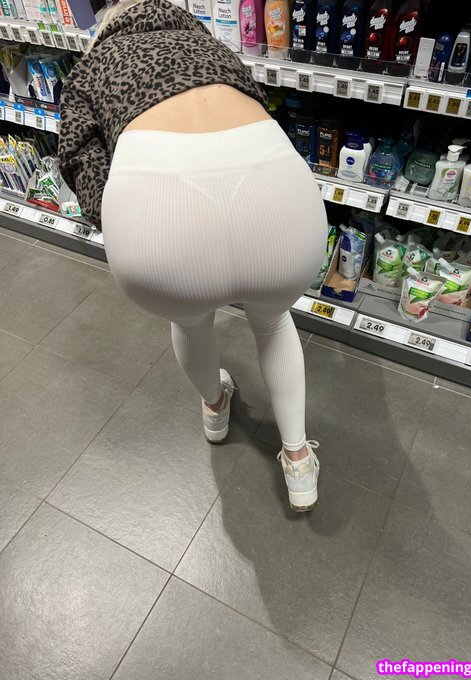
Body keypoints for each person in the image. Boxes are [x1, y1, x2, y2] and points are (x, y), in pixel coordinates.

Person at [58, 0, 327, 511]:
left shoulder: (92, 68)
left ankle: (215, 408)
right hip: (277, 194)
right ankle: (298, 461)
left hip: (162, 211)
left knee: (190, 320)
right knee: (273, 322)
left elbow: (79, 162)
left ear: (106, 26)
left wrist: (124, 223)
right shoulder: (213, 46)